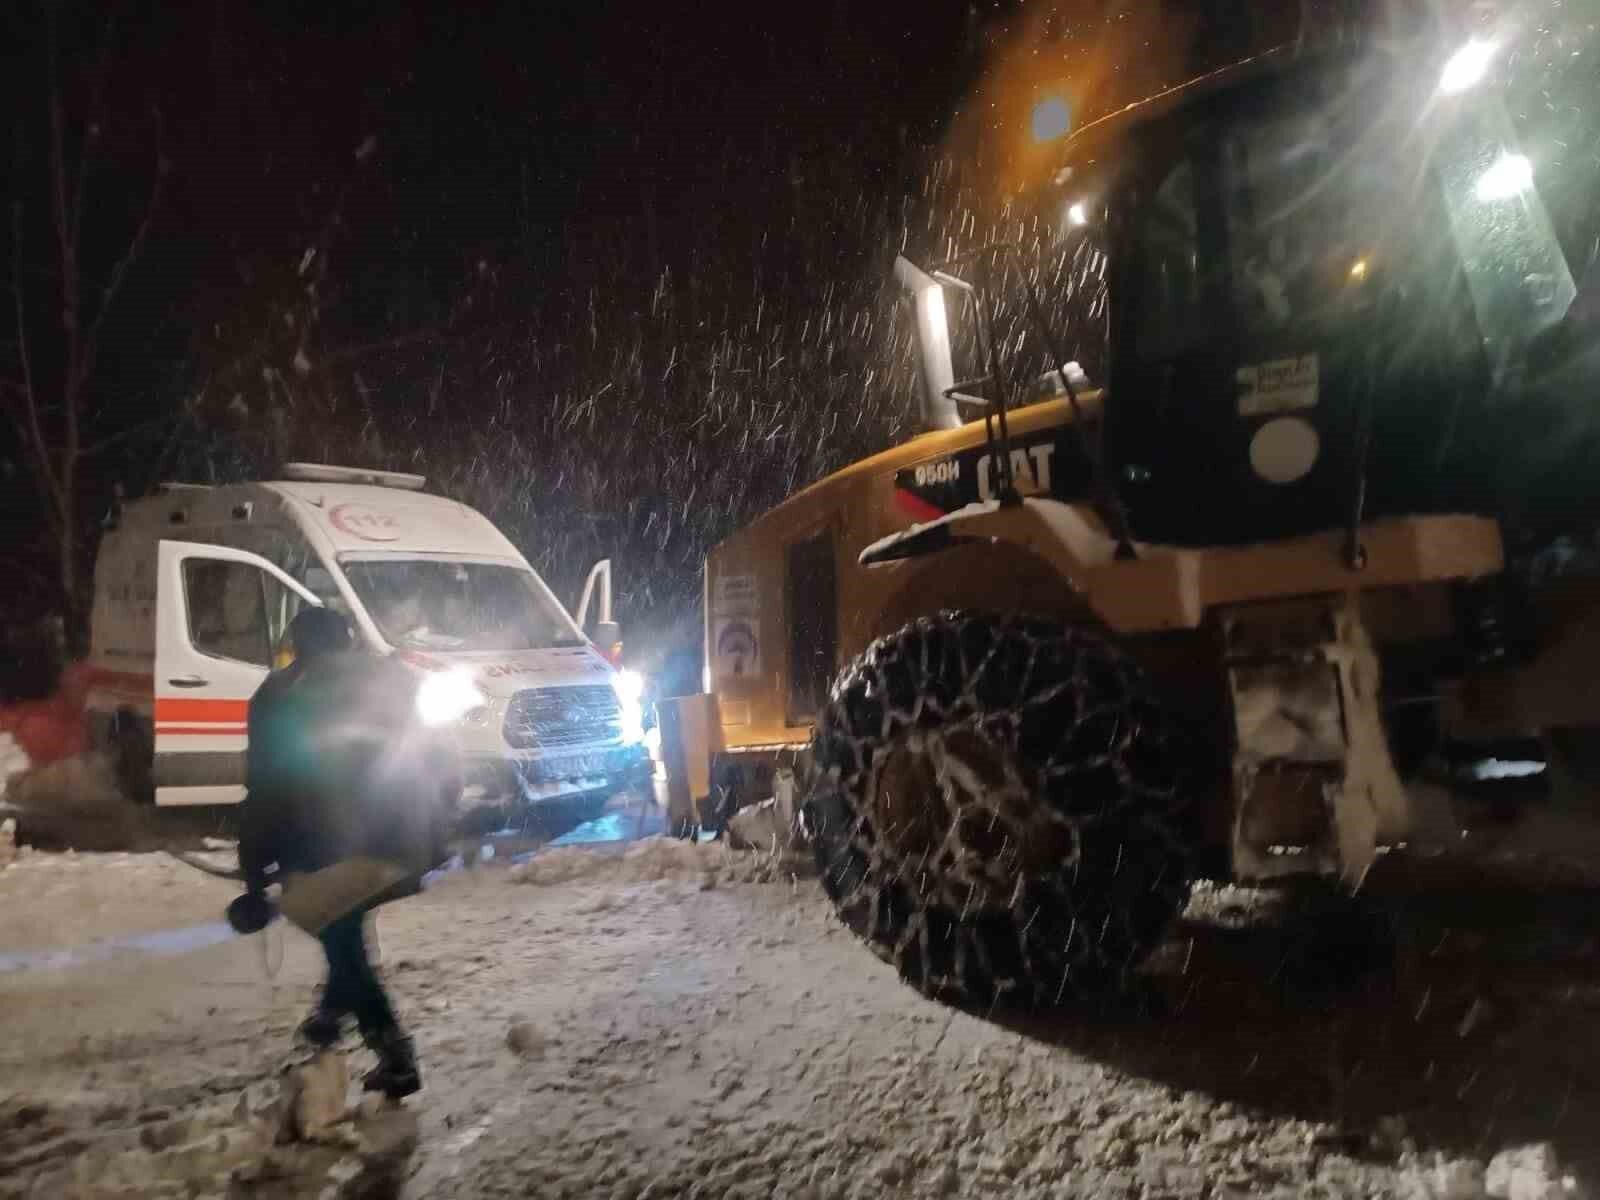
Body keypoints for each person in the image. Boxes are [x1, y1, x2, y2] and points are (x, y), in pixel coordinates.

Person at [238, 607, 459, 1099]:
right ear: (350, 640)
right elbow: (444, 756)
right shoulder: (397, 679)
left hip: (331, 848)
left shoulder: (281, 695)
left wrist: (254, 876)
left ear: (297, 647)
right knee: (347, 927)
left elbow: (266, 791)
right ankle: (330, 1016)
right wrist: (439, 823)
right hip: (408, 838)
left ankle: (393, 1053)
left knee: (341, 936)